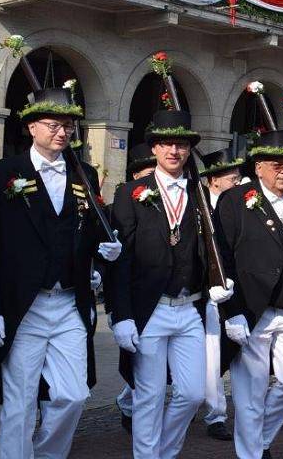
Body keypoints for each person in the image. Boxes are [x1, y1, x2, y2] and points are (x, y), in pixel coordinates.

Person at [0, 87, 122, 458]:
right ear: (32, 127)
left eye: (68, 126)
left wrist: (102, 254)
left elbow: (87, 230)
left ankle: (46, 454)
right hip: (23, 305)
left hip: (69, 302)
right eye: (54, 125)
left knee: (73, 395)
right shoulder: (4, 173)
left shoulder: (84, 173)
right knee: (20, 401)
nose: (62, 132)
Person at [109, 109, 234, 457]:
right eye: (166, 144)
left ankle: (163, 451)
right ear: (155, 148)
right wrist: (121, 315)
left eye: (180, 145)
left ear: (188, 150)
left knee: (193, 393)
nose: (173, 151)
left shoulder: (199, 193)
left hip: (189, 307)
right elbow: (121, 260)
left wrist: (221, 282)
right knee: (149, 395)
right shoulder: (131, 193)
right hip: (150, 309)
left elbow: (214, 247)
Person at [215, 130, 283, 459]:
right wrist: (231, 310)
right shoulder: (235, 201)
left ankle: (259, 440)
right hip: (252, 309)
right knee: (250, 394)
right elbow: (222, 256)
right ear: (258, 167)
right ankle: (251, 454)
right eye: (277, 165)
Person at [198, 147, 244, 441]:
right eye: (232, 179)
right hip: (207, 292)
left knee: (237, 352)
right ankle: (216, 415)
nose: (238, 184)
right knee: (211, 354)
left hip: (237, 288)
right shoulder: (198, 203)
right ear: (214, 180)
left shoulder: (242, 205)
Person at [114, 143, 158, 433]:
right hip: (136, 293)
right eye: (146, 173)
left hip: (166, 295)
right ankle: (130, 404)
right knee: (140, 365)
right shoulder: (126, 199)